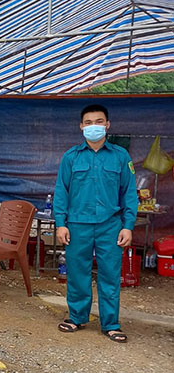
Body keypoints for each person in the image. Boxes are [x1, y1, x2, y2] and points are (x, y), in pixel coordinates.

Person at [53, 104, 137, 343]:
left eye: (98, 122)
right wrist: (61, 223)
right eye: (88, 123)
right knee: (78, 273)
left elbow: (129, 193)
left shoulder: (121, 157)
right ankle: (77, 317)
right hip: (77, 224)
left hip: (110, 225)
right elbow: (61, 192)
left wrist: (127, 225)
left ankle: (111, 324)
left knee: (110, 275)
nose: (93, 127)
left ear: (107, 125)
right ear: (81, 127)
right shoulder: (71, 157)